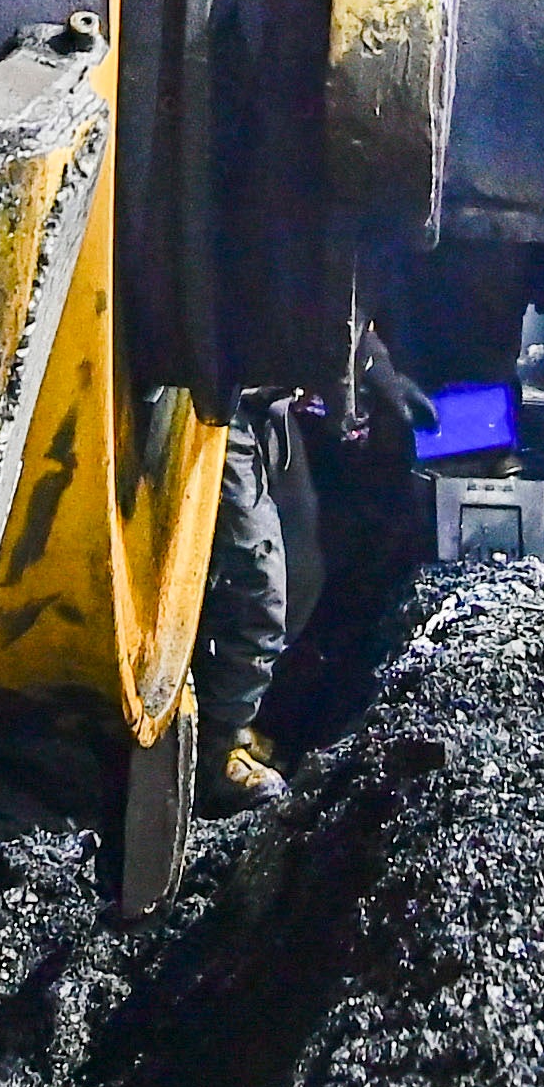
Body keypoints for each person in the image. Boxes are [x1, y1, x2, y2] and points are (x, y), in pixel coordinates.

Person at [192, 339, 438, 815]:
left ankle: (236, 712)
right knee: (257, 585)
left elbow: (345, 309)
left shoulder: (359, 262)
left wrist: (374, 368)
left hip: (267, 407)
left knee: (301, 574)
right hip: (217, 402)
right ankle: (217, 754)